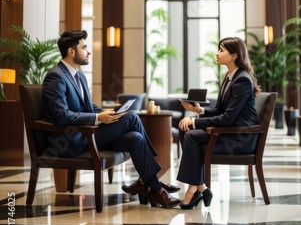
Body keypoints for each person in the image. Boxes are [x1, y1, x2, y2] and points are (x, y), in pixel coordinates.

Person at [42, 30, 181, 208]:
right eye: (84, 47)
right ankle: (153, 184)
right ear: (71, 51)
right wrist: (98, 117)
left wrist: (106, 113)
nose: (89, 51)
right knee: (131, 117)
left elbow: (88, 107)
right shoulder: (56, 77)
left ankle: (149, 183)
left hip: (86, 135)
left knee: (135, 138)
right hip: (72, 140)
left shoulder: (79, 76)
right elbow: (62, 116)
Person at [176, 36, 261, 209]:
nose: (217, 53)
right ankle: (201, 187)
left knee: (191, 135)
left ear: (234, 55)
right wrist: (198, 111)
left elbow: (227, 118)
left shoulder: (242, 80)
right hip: (229, 131)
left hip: (239, 139)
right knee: (184, 131)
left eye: (221, 50)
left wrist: (193, 122)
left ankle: (194, 189)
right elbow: (219, 110)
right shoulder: (230, 76)